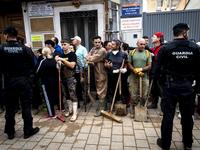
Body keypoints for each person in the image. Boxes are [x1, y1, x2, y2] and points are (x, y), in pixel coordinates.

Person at [152, 23, 200, 150]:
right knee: (187, 114)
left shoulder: (166, 47)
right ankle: (188, 144)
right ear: (184, 32)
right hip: (187, 85)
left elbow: (156, 68)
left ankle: (165, 144)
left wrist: (159, 85)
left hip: (170, 85)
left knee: (168, 114)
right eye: (187, 32)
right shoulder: (194, 47)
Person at [0, 26, 39, 140]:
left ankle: (10, 132)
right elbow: (33, 64)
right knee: (26, 105)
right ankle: (28, 130)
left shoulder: (1, 48)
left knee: (10, 107)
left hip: (9, 81)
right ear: (17, 36)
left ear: (6, 35)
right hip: (23, 80)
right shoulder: (25, 48)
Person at [127, 38, 152, 118]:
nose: (143, 46)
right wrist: (134, 70)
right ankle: (134, 110)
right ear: (137, 44)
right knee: (133, 94)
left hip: (144, 77)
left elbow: (149, 66)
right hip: (134, 77)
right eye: (141, 44)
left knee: (145, 95)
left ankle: (145, 109)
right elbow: (129, 64)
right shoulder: (132, 52)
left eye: (144, 44)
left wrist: (142, 69)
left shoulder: (147, 53)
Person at [84, 36, 107, 116]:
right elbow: (87, 57)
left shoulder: (102, 50)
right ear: (93, 42)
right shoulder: (93, 49)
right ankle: (104, 106)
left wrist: (88, 58)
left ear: (101, 42)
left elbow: (91, 58)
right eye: (96, 42)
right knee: (99, 89)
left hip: (101, 73)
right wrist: (88, 58)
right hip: (96, 72)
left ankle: (101, 109)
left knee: (101, 90)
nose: (97, 44)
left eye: (99, 42)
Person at [56, 39, 78, 122]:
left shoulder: (73, 55)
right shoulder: (60, 55)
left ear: (69, 45)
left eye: (64, 44)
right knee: (67, 96)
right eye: (62, 44)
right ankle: (70, 110)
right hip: (62, 78)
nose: (63, 46)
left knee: (73, 96)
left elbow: (72, 65)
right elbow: (57, 67)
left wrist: (63, 60)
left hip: (71, 78)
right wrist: (57, 63)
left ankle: (75, 113)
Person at [105, 39, 128, 111]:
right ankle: (112, 106)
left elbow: (127, 63)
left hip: (121, 75)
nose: (111, 46)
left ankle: (123, 106)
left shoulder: (123, 54)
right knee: (111, 90)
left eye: (113, 44)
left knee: (123, 90)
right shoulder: (108, 53)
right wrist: (107, 65)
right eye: (111, 44)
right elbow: (105, 63)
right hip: (111, 75)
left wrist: (125, 69)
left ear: (118, 46)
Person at [36, 47, 58, 119]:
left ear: (43, 53)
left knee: (48, 98)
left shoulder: (43, 61)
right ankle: (53, 111)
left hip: (46, 82)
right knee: (52, 96)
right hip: (54, 81)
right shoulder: (54, 60)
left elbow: (38, 72)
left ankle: (51, 114)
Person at [148, 32, 164, 109]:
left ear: (159, 39)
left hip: (160, 73)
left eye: (154, 37)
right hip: (153, 72)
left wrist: (154, 56)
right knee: (153, 89)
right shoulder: (153, 49)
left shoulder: (162, 48)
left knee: (161, 90)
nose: (152, 38)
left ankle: (164, 107)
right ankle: (154, 104)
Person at [25, 44, 42, 115]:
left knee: (33, 91)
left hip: (32, 76)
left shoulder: (32, 56)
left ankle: (35, 107)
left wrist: (28, 71)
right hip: (28, 76)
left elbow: (35, 65)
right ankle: (37, 103)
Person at [71, 36, 89, 103]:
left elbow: (86, 59)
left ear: (77, 41)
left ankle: (86, 98)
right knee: (78, 84)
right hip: (76, 70)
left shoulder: (82, 49)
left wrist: (85, 68)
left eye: (74, 40)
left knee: (83, 84)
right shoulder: (75, 49)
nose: (72, 41)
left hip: (83, 68)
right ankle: (80, 97)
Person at [70, 43, 83, 108]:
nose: (70, 49)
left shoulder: (76, 56)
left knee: (76, 89)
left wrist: (81, 75)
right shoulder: (66, 57)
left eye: (71, 48)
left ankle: (77, 104)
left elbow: (80, 66)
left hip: (76, 74)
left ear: (74, 50)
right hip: (69, 75)